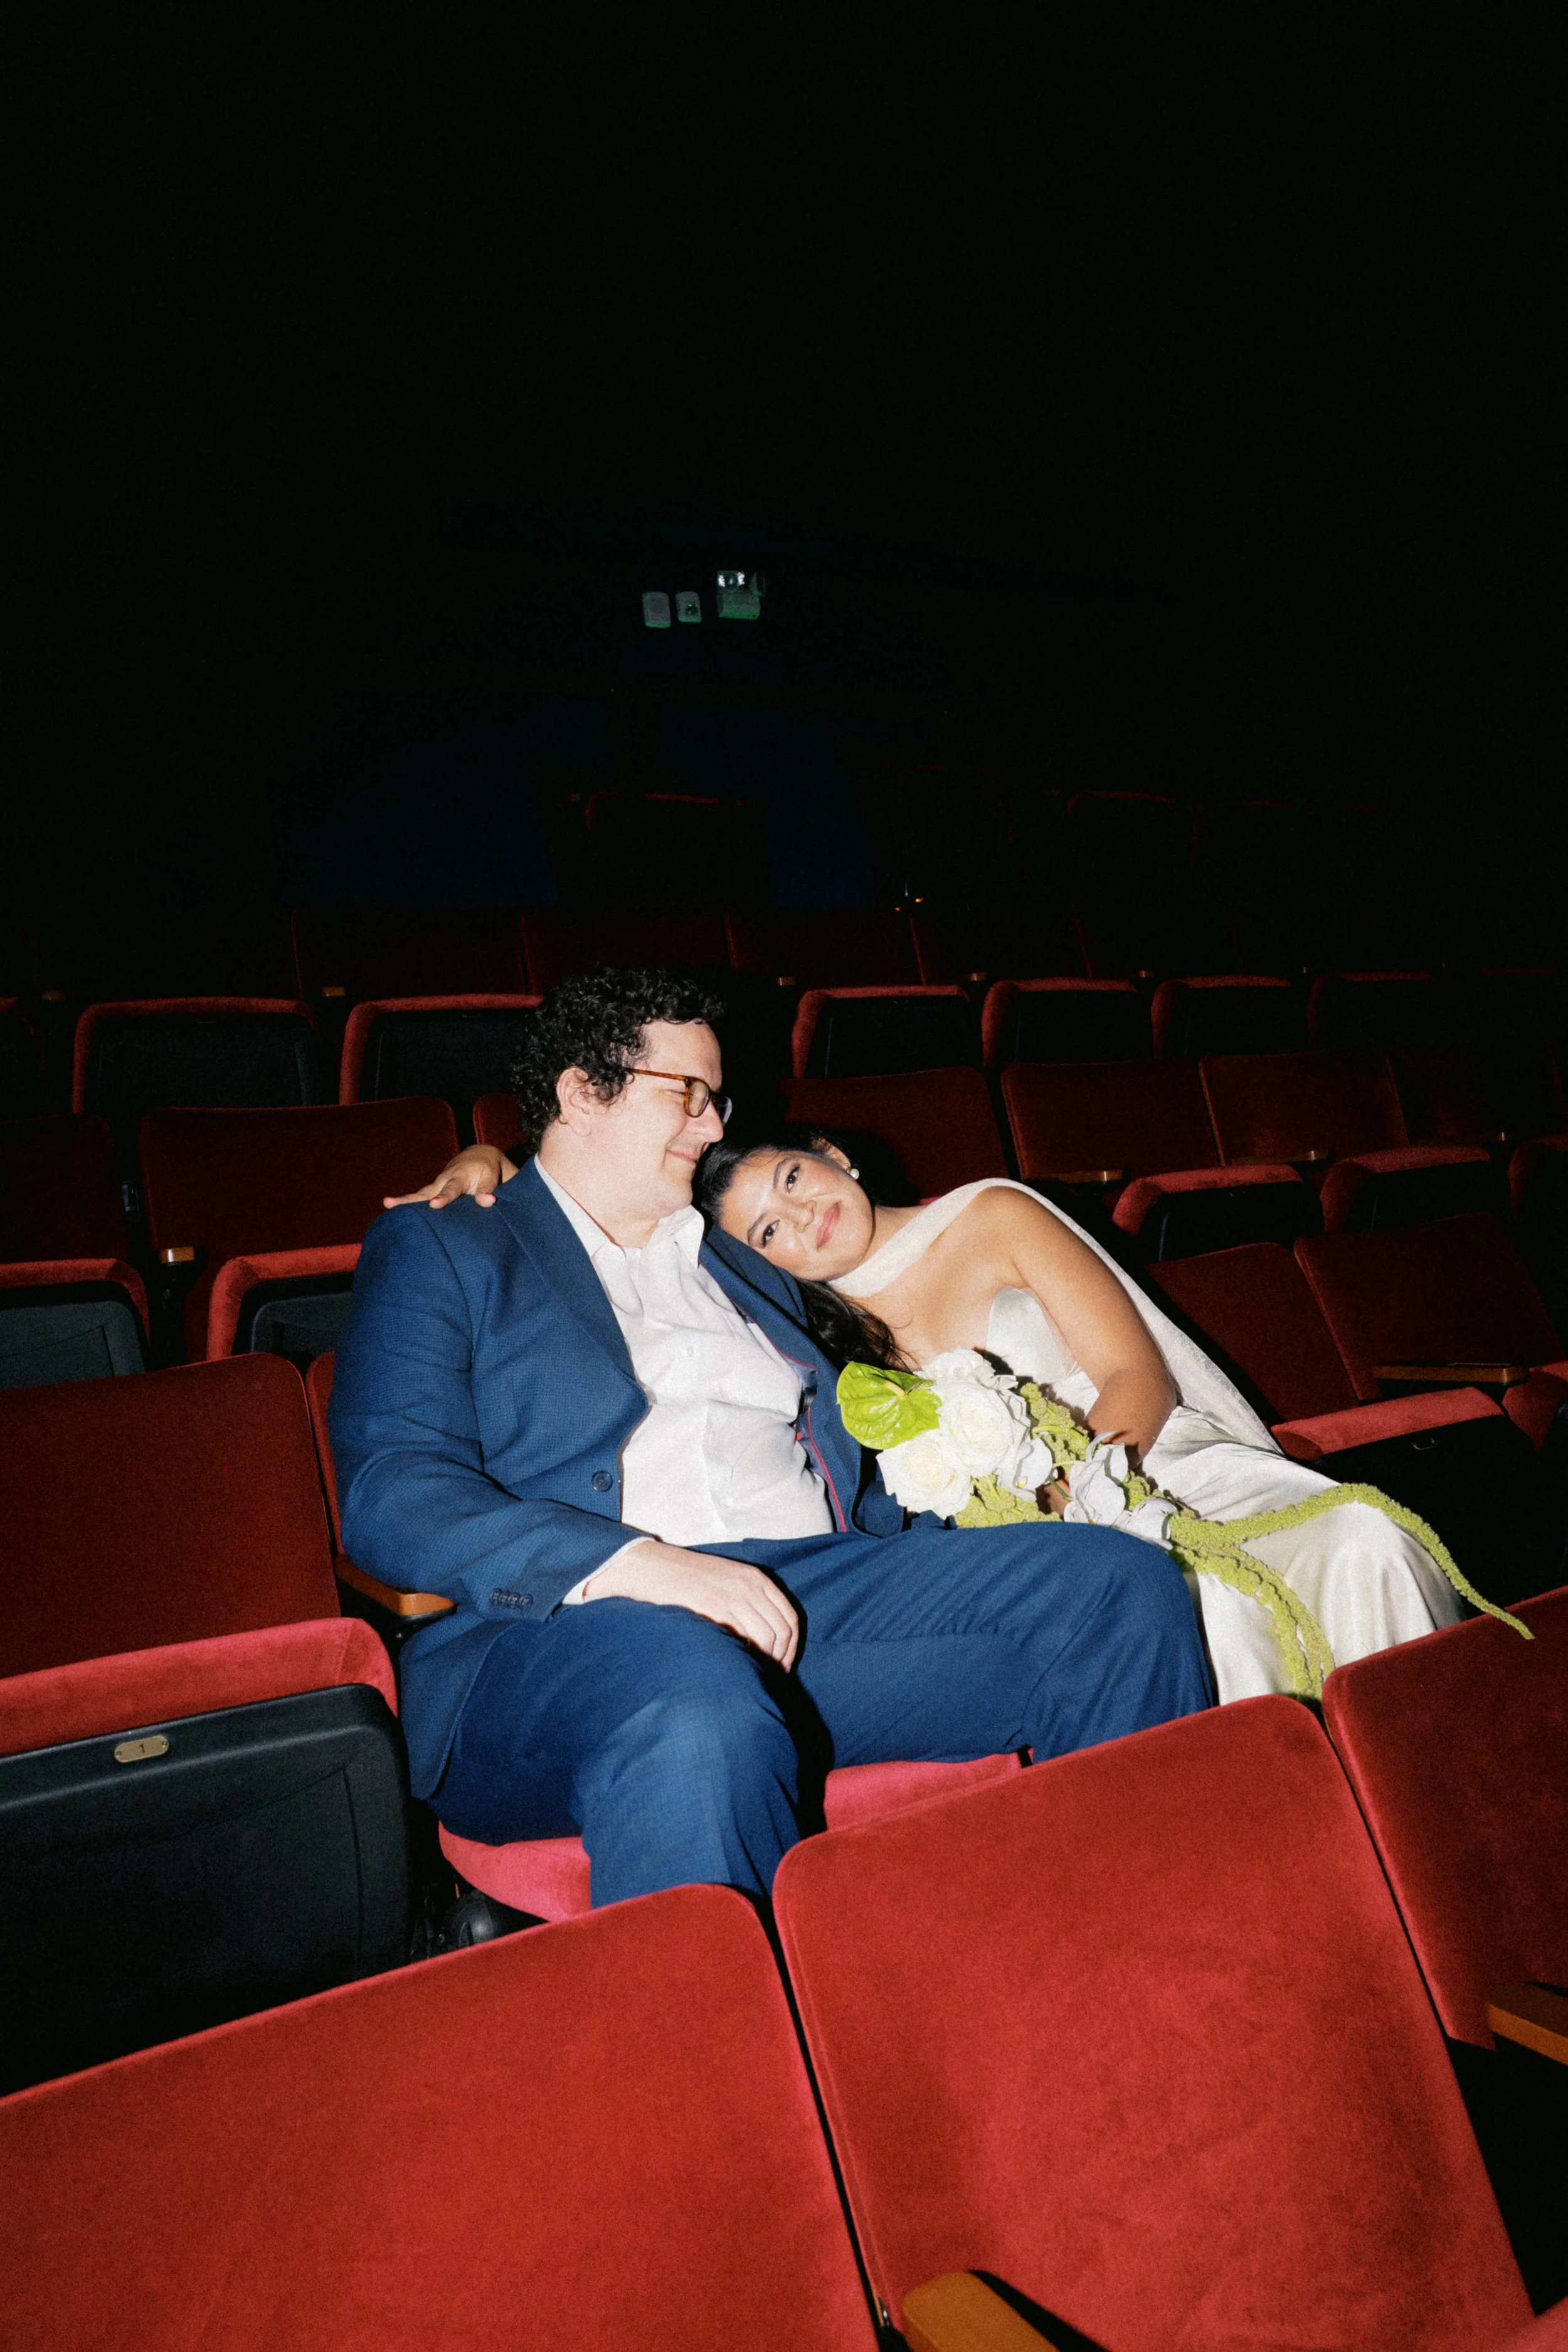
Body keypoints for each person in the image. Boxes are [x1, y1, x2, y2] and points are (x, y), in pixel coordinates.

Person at [336, 970, 1210, 1909]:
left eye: (716, 1101)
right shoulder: (450, 1247)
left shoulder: (743, 1262)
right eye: (689, 1095)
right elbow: (391, 1489)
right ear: (583, 1093)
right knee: (696, 1697)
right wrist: (638, 1564)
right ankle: (722, 2049)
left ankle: (1129, 1960)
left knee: (1115, 1589)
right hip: (562, 1638)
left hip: (810, 1589)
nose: (713, 1128)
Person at [420, 1115, 1461, 1703]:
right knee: (1186, 1609)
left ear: (836, 1154)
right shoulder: (803, 1326)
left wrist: (1097, 1492)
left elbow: (1135, 1375)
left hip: (1159, 1466)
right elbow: (598, 1218)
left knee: (1362, 1536)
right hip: (1033, 1555)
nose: (804, 1217)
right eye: (770, 1232)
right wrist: (492, 1161)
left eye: (795, 1178)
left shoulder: (994, 1211)